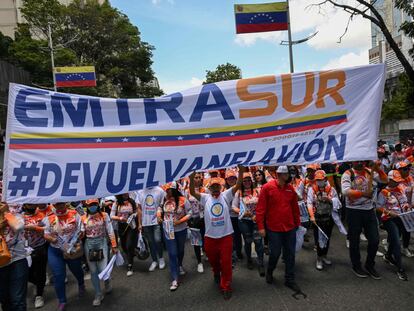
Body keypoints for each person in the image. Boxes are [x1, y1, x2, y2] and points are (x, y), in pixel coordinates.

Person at [189, 166, 244, 300]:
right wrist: (191, 177)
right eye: (212, 186)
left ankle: (226, 286)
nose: (215, 188)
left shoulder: (226, 195)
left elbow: (238, 185)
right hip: (210, 237)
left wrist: (241, 171)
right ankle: (216, 272)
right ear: (209, 187)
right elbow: (191, 191)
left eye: (217, 186)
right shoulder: (205, 197)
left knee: (226, 262)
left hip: (225, 236)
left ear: (221, 187)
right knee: (214, 261)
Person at [256, 166, 301, 292]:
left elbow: (295, 208)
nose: (289, 176)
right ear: (281, 175)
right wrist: (261, 227)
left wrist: (297, 224)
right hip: (274, 229)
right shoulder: (267, 188)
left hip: (290, 228)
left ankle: (290, 279)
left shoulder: (290, 189)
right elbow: (260, 209)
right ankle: (270, 271)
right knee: (275, 253)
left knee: (290, 254)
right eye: (287, 174)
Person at [341, 161, 387, 279]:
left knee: (374, 240)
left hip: (369, 210)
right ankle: (356, 265)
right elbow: (345, 191)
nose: (360, 162)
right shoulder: (348, 173)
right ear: (353, 161)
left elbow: (385, 180)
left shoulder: (368, 171)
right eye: (358, 160)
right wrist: (363, 194)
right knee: (354, 241)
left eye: (362, 160)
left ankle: (370, 265)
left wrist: (378, 169)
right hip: (353, 211)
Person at [43, 202, 85, 311]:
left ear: (65, 203)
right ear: (54, 205)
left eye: (61, 203)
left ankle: (81, 283)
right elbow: (45, 233)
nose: (60, 206)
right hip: (55, 250)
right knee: (58, 276)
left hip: (71, 249)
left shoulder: (74, 214)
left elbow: (81, 230)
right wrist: (52, 239)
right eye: (57, 204)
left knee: (76, 269)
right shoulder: (49, 218)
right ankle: (62, 300)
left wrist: (77, 240)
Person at [82, 199, 118, 306]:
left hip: (102, 242)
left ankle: (107, 282)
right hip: (89, 244)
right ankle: (98, 294)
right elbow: (81, 233)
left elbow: (110, 230)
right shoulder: (83, 217)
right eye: (90, 205)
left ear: (98, 205)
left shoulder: (104, 215)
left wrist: (114, 245)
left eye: (94, 204)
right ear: (87, 206)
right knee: (93, 271)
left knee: (103, 268)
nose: (92, 206)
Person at [157, 182, 192, 291]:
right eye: (166, 190)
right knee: (172, 253)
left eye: (170, 190)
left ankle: (180, 265)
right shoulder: (164, 199)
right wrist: (158, 215)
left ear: (175, 189)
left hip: (181, 229)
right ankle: (175, 278)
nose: (168, 192)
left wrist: (180, 221)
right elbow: (159, 208)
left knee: (180, 250)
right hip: (168, 230)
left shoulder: (183, 200)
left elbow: (189, 212)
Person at [377, 170, 409, 281]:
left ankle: (388, 256)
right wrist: (389, 212)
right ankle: (400, 269)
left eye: (398, 181)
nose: (397, 183)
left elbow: (405, 202)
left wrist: (407, 207)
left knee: (395, 239)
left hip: (402, 218)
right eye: (395, 181)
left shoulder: (401, 188)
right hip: (389, 219)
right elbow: (378, 207)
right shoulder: (384, 192)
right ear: (389, 180)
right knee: (396, 241)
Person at [232, 172, 265, 276]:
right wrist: (242, 212)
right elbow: (233, 207)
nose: (247, 182)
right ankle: (249, 259)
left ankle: (261, 263)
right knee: (248, 241)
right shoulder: (238, 192)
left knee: (259, 241)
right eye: (244, 180)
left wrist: (259, 215)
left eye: (248, 180)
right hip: (244, 221)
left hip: (256, 220)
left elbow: (263, 204)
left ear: (252, 181)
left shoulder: (258, 191)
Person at [307, 170, 339, 270]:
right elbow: (309, 202)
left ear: (325, 179)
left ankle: (324, 256)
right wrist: (311, 216)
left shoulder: (331, 189)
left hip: (328, 217)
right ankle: (319, 258)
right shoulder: (312, 189)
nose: (319, 181)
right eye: (317, 180)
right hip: (317, 217)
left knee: (327, 237)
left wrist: (329, 200)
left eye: (321, 180)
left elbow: (337, 201)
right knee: (318, 239)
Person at [0, 202, 28, 311]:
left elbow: (18, 226)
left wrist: (6, 212)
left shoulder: (14, 213)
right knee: (4, 299)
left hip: (17, 260)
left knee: (18, 300)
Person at [135, 186, 166, 272]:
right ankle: (154, 261)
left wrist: (160, 212)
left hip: (156, 221)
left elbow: (163, 204)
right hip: (146, 222)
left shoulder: (159, 190)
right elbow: (139, 209)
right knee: (151, 242)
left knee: (158, 240)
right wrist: (140, 223)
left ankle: (161, 258)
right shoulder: (140, 191)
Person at [23, 203, 48, 309]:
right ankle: (38, 284)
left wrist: (36, 228)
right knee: (27, 274)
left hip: (40, 248)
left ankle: (39, 295)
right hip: (25, 250)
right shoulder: (20, 217)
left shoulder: (42, 215)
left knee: (40, 272)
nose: (32, 206)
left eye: (33, 204)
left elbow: (48, 229)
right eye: (29, 204)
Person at [111, 193, 138, 276]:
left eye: (127, 192)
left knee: (129, 244)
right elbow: (111, 216)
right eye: (124, 193)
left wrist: (134, 215)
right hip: (121, 226)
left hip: (131, 226)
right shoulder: (116, 203)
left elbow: (137, 211)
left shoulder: (132, 202)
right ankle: (131, 254)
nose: (126, 194)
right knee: (123, 246)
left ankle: (130, 265)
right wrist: (120, 218)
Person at [185, 172, 206, 273]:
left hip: (204, 218)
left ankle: (207, 253)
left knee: (206, 239)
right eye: (195, 177)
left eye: (199, 177)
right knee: (196, 242)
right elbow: (185, 205)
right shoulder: (187, 191)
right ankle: (199, 262)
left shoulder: (205, 190)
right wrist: (187, 219)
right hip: (193, 218)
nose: (197, 179)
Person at [396, 161, 414, 257]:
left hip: (408, 208)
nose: (408, 170)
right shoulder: (395, 180)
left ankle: (405, 248)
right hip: (398, 209)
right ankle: (391, 245)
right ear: (398, 170)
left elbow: (412, 188)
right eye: (405, 169)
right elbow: (403, 191)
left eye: (408, 168)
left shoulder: (410, 178)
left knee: (407, 228)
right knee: (398, 229)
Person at [225, 169, 243, 263]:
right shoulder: (224, 191)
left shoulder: (240, 189)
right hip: (229, 217)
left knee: (238, 235)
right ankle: (232, 253)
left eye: (233, 178)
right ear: (226, 180)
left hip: (239, 216)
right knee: (230, 236)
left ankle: (239, 252)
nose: (231, 180)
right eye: (229, 179)